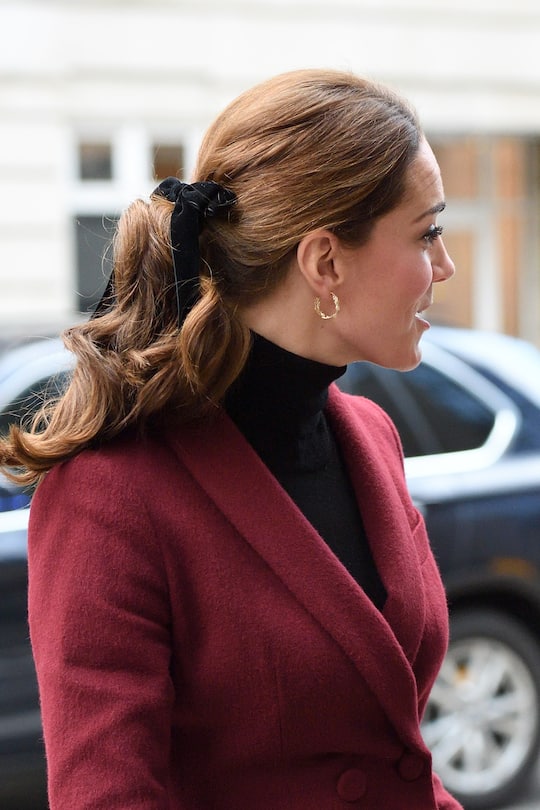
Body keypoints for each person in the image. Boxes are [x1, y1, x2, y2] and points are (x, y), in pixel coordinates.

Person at [0, 69, 460, 809]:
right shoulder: (109, 497)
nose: (445, 266)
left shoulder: (371, 436)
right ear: (325, 262)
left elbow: (392, 757)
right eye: (428, 232)